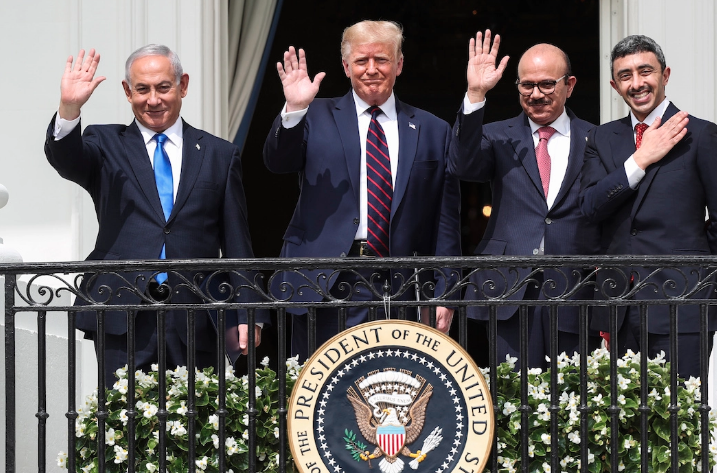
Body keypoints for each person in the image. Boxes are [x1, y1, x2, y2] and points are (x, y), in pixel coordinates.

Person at [579, 35, 717, 473]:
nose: (637, 83)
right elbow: (590, 208)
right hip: (620, 304)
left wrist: (697, 276)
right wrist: (641, 159)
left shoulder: (699, 133)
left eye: (645, 72)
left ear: (665, 75)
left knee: (683, 420)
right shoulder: (605, 140)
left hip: (682, 303)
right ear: (614, 84)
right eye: (626, 76)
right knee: (626, 419)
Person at [45, 45, 266, 382]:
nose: (153, 100)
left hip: (195, 310)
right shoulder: (105, 143)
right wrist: (70, 108)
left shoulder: (219, 154)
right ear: (127, 91)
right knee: (121, 424)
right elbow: (66, 157)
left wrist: (248, 310)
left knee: (196, 425)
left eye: (163, 87)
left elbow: (238, 241)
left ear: (183, 85)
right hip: (122, 308)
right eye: (142, 89)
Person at [263, 20, 461, 358]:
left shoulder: (432, 129)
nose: (371, 69)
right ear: (346, 66)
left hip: (400, 286)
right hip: (324, 284)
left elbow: (445, 219)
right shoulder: (313, 114)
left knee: (393, 394)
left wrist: (445, 289)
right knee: (319, 396)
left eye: (382, 60)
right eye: (361, 61)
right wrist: (294, 109)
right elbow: (277, 163)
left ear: (399, 64)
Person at [448, 31, 601, 369]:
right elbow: (462, 164)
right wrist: (476, 93)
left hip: (575, 287)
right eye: (526, 85)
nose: (536, 94)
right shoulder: (497, 135)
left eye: (547, 84)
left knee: (575, 399)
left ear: (570, 85)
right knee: (511, 398)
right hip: (507, 287)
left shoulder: (598, 138)